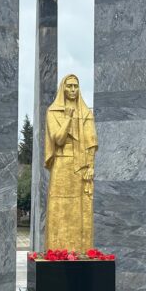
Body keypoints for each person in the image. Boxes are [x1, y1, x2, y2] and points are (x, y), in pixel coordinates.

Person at [44, 73, 98, 252]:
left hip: (80, 166)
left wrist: (91, 166)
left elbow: (91, 143)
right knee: (59, 205)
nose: (73, 89)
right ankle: (56, 250)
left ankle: (80, 249)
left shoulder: (86, 113)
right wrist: (67, 117)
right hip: (61, 164)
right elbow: (58, 139)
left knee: (80, 207)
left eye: (76, 86)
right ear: (63, 88)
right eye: (69, 86)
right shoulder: (53, 111)